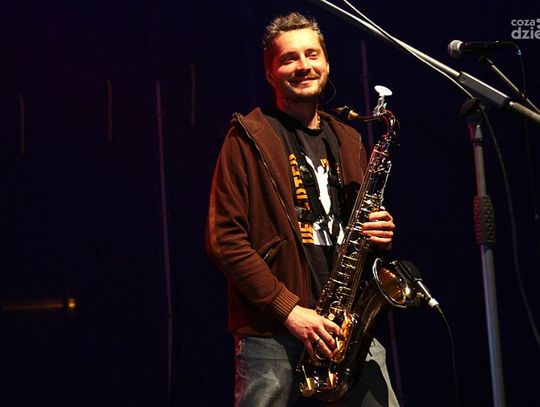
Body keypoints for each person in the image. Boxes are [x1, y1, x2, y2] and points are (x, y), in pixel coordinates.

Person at [205, 11, 399, 407]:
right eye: (289, 58)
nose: (303, 66)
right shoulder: (247, 137)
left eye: (312, 54)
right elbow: (225, 240)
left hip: (346, 330)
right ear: (270, 73)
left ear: (327, 63)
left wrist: (379, 234)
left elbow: (354, 233)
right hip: (272, 335)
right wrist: (290, 311)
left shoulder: (348, 138)